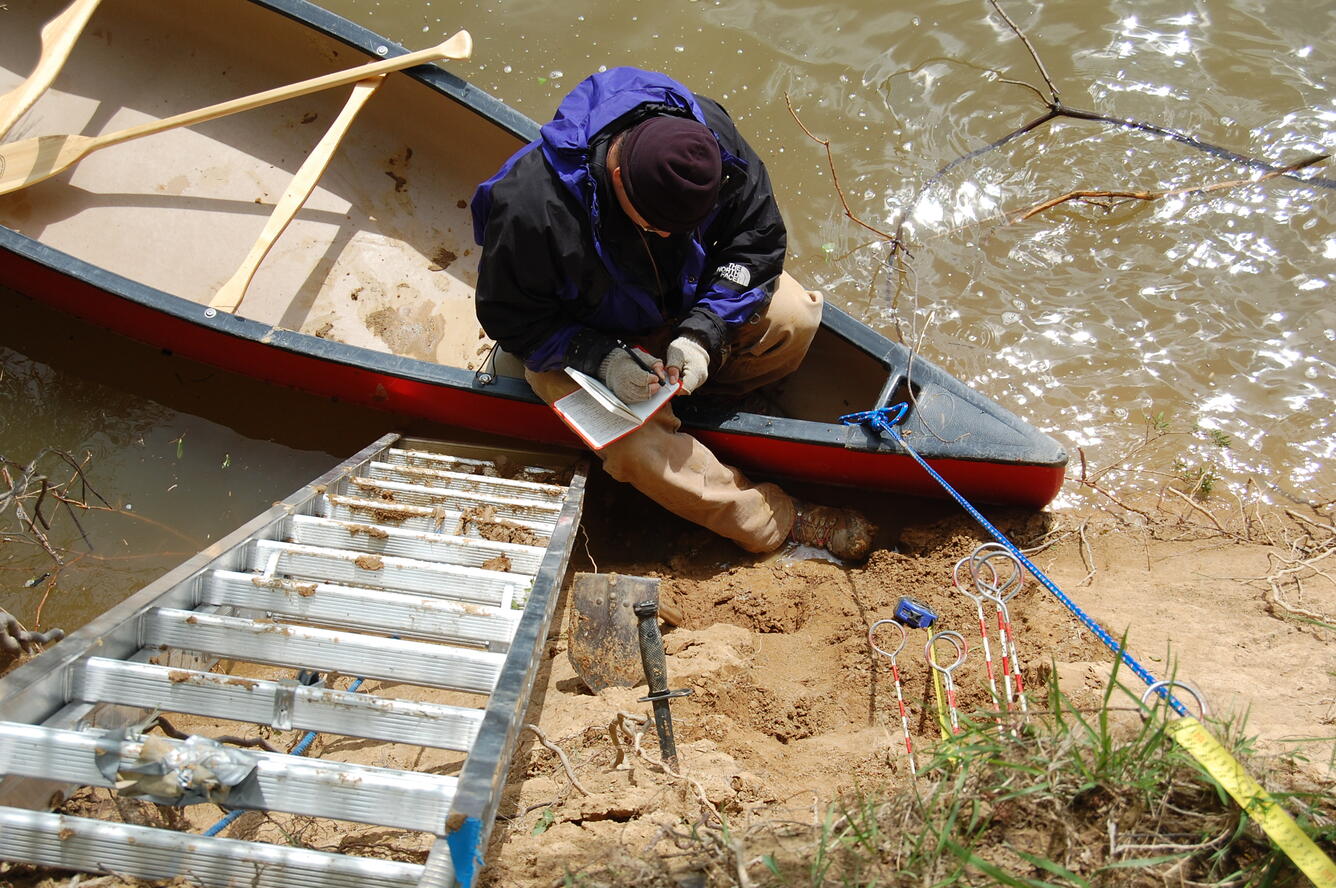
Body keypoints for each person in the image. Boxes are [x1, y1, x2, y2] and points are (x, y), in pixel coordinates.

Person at [470, 67, 875, 560]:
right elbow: (511, 317)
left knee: (794, 317)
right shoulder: (530, 207)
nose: (667, 236)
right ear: (618, 177)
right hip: (574, 339)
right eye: (657, 227)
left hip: (679, 305)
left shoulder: (710, 141)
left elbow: (758, 242)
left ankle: (704, 400)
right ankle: (773, 522)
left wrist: (704, 333)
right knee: (629, 444)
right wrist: (600, 358)